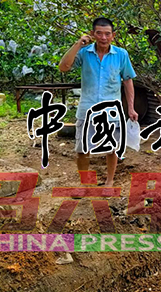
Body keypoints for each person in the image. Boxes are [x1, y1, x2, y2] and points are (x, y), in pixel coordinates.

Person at [59, 17, 138, 186]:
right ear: (93, 34)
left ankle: (109, 182)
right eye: (99, 33)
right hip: (87, 109)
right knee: (82, 150)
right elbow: (63, 67)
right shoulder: (84, 52)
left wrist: (131, 108)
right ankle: (84, 183)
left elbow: (128, 81)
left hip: (112, 111)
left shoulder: (121, 55)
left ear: (113, 35)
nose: (103, 37)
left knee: (112, 149)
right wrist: (78, 44)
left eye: (107, 34)